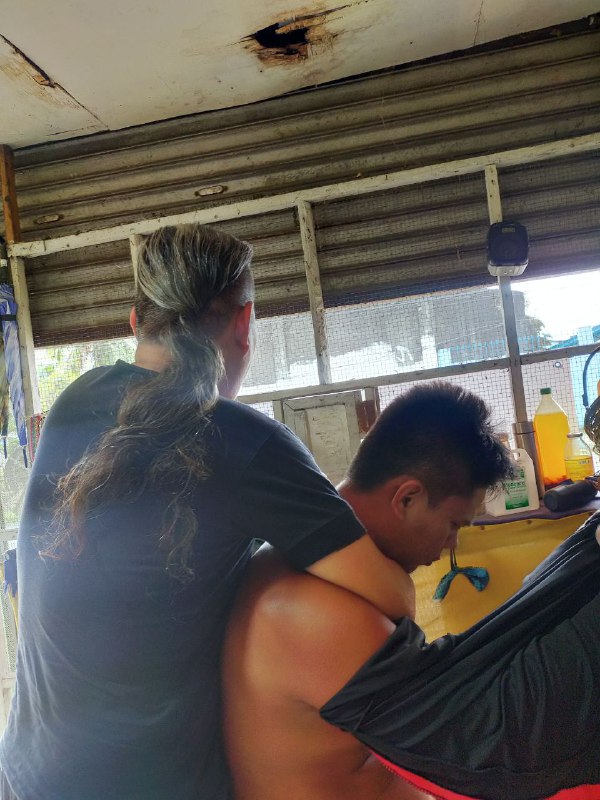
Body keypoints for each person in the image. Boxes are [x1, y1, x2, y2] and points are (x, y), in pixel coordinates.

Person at [0, 223, 414, 800]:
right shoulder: (246, 442)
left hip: (26, 776)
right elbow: (393, 599)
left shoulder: (75, 399)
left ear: (135, 322)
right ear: (244, 325)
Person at [223, 382, 514, 800]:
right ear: (407, 498)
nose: (450, 546)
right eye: (454, 525)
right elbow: (473, 750)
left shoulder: (288, 561)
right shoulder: (323, 613)